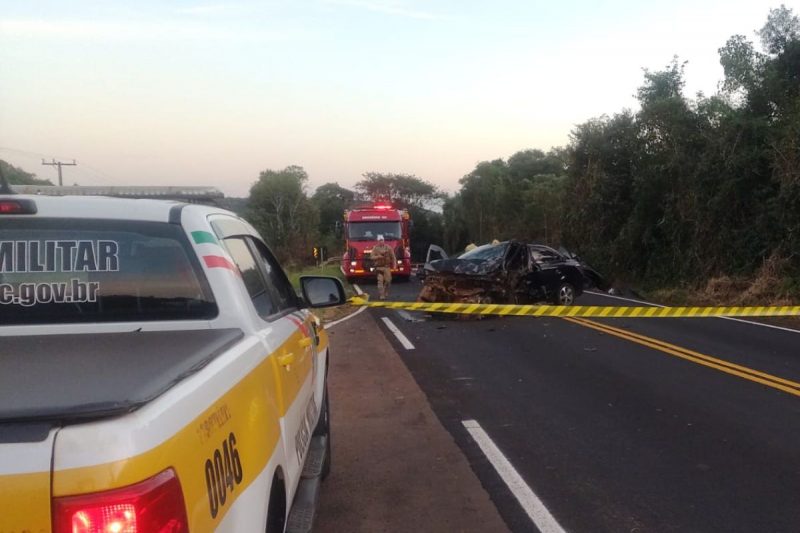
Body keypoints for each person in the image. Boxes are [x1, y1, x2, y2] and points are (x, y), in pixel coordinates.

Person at [370, 235, 397, 300]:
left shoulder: (388, 248)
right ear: (378, 241)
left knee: (388, 280)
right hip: (379, 267)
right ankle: (381, 295)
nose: (381, 241)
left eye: (382, 240)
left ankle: (385, 291)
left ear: (384, 240)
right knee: (380, 281)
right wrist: (378, 257)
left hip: (387, 267)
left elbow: (393, 257)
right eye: (380, 240)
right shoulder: (375, 248)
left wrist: (394, 265)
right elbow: (371, 257)